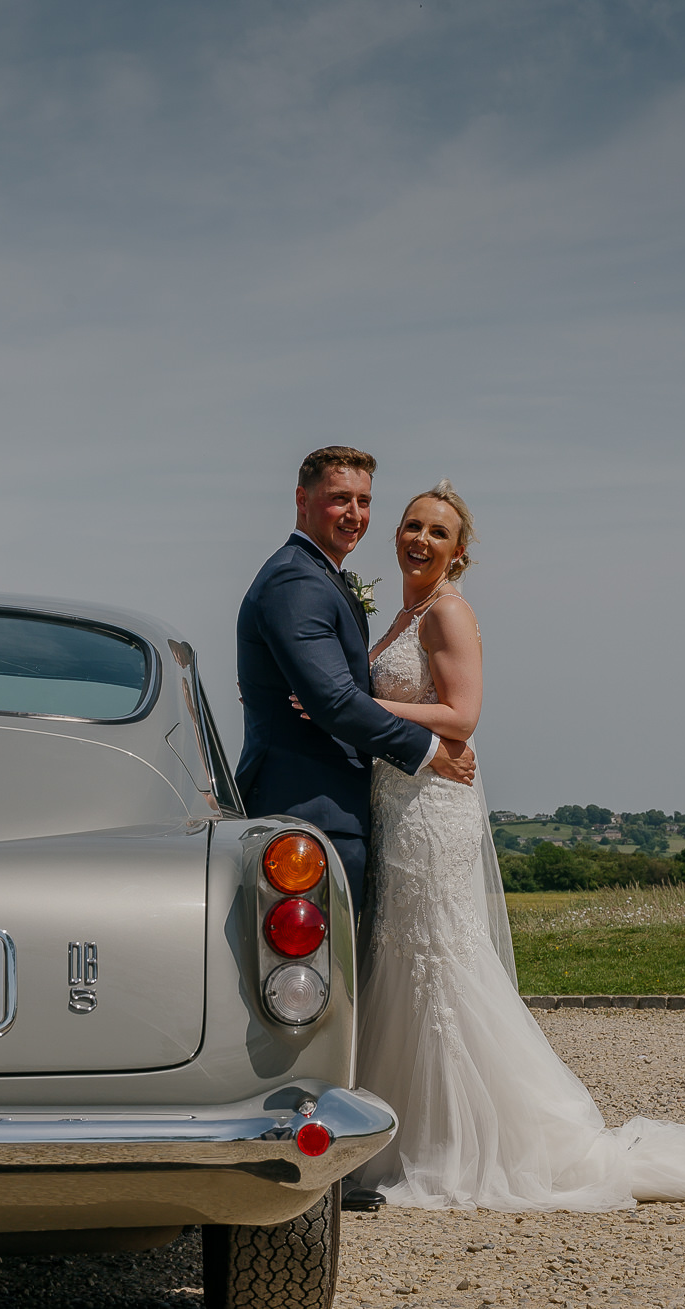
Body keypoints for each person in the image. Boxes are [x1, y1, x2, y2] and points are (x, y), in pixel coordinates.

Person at [351, 480, 685, 1209]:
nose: (421, 539)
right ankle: (405, 1132)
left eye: (438, 532)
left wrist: (360, 703)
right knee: (404, 961)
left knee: (442, 963)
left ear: (460, 553)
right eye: (412, 525)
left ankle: (465, 1147)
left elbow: (462, 715)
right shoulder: (401, 611)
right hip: (397, 802)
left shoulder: (448, 612)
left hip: (434, 809)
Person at [236, 447, 478, 1211]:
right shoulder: (295, 582)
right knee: (310, 990)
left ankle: (346, 1155)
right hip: (313, 810)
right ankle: (305, 1166)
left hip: (357, 806)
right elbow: (335, 704)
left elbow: (351, 700)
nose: (355, 514)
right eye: (341, 498)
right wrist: (429, 750)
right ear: (303, 499)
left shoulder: (331, 582)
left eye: (364, 501)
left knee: (339, 987)